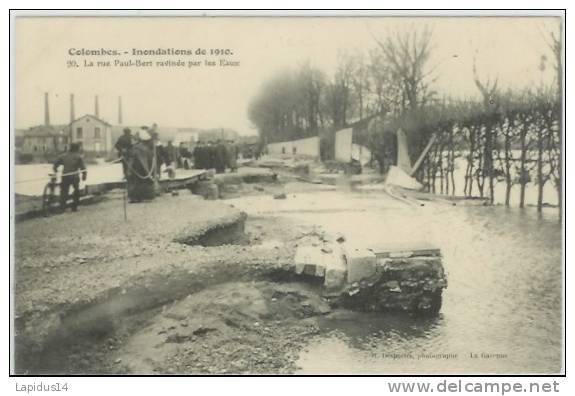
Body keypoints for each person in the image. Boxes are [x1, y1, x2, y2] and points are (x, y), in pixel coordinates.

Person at [53, 143, 87, 212]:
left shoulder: (63, 156)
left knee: (64, 191)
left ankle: (62, 207)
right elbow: (83, 168)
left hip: (65, 176)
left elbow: (56, 164)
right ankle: (74, 207)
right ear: (77, 149)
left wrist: (55, 170)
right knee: (76, 191)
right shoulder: (78, 157)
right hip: (74, 176)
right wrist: (84, 175)